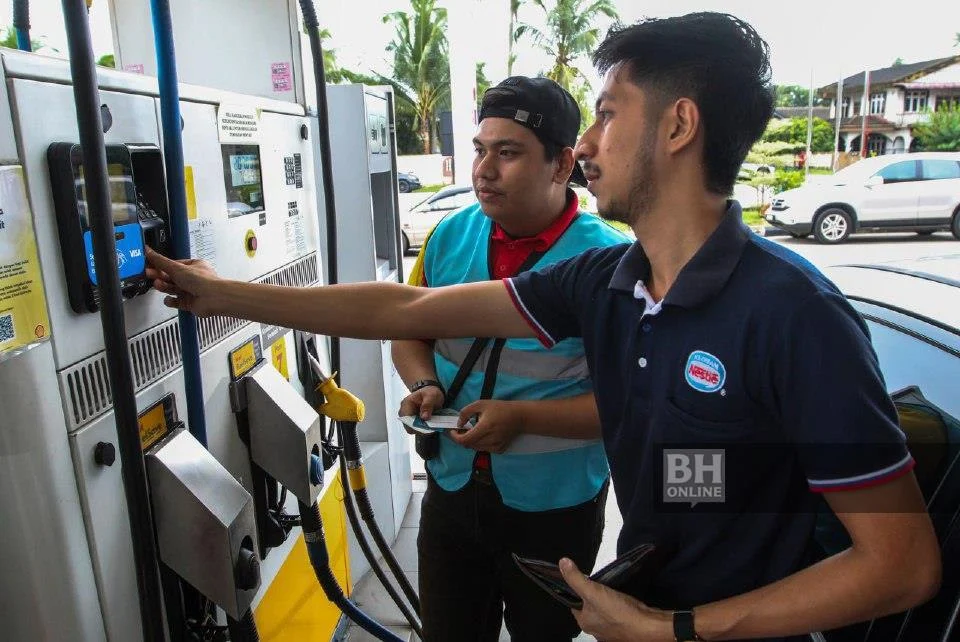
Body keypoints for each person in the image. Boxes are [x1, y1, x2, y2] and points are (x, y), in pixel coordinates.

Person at [146, 12, 940, 642]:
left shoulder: (795, 315)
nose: (585, 145)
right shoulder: (608, 282)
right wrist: (225, 297)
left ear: (678, 126)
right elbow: (407, 312)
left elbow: (902, 565)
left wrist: (675, 629)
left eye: (608, 114)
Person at [394, 77, 629, 641]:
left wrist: (522, 418)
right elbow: (406, 329)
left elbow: (629, 406)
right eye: (480, 150)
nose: (483, 170)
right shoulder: (449, 235)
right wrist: (424, 384)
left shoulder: (610, 262)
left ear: (561, 164)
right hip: (451, 488)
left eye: (508, 152)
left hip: (555, 505)